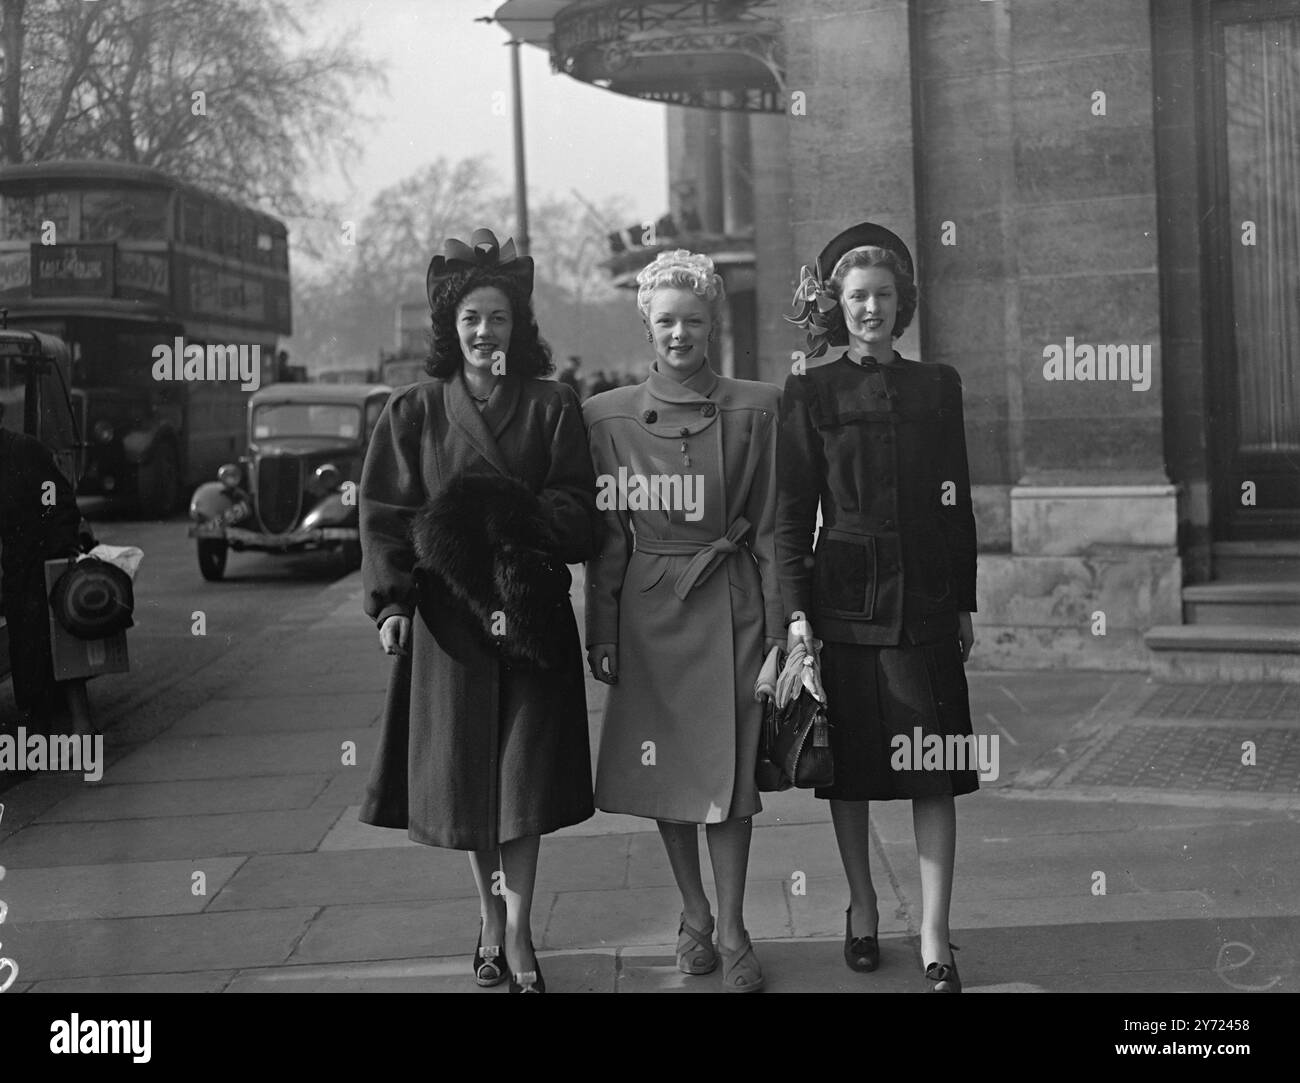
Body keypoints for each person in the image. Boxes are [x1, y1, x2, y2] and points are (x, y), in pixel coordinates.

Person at [358, 228, 599, 994]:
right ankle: (489, 921)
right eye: (470, 318)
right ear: (450, 327)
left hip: (528, 620)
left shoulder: (555, 407)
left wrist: (500, 521)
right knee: (468, 782)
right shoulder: (415, 410)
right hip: (450, 625)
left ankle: (521, 933)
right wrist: (390, 603)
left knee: (522, 784)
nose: (484, 331)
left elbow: (576, 510)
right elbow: (387, 512)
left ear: (517, 327)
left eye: (497, 317)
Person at [777, 222, 978, 993]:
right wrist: (798, 618)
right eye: (857, 296)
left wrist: (962, 600)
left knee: (935, 768)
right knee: (852, 768)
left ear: (903, 305)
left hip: (925, 598)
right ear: (839, 304)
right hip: (844, 605)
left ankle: (933, 931)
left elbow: (958, 500)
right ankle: (862, 904)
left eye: (883, 296)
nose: (871, 308)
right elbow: (792, 515)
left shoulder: (938, 385)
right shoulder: (812, 391)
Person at [584, 249, 783, 993]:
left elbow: (769, 532)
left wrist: (783, 633)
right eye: (665, 320)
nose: (679, 333)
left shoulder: (760, 408)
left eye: (692, 320)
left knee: (728, 777)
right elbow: (606, 539)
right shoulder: (604, 417)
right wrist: (600, 629)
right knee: (666, 772)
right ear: (646, 323)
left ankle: (733, 929)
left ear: (714, 323)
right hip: (649, 611)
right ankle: (692, 913)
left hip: (732, 605)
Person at [0, 401, 84, 731]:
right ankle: (38, 718)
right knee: (25, 644)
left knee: (54, 642)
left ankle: (62, 724)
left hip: (44, 558)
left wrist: (55, 552)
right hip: (17, 564)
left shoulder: (24, 452)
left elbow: (57, 502)